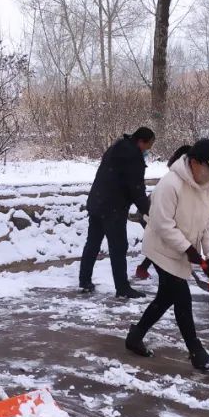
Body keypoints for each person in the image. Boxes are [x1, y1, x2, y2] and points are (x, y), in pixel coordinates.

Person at [125, 138, 209, 371]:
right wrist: (189, 249)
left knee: (166, 297)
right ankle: (196, 351)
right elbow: (162, 224)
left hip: (183, 249)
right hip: (161, 248)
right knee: (181, 296)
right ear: (195, 163)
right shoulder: (171, 184)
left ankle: (135, 335)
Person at [79, 126, 155, 299]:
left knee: (92, 243)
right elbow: (136, 188)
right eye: (148, 146)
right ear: (141, 141)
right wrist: (148, 211)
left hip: (97, 202)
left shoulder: (116, 147)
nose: (148, 151)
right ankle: (122, 288)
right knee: (118, 247)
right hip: (113, 208)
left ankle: (84, 280)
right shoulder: (134, 157)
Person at [134, 144, 192, 281]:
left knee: (163, 242)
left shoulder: (179, 173)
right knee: (162, 244)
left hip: (151, 212)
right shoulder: (177, 176)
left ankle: (145, 269)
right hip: (150, 213)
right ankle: (157, 272)